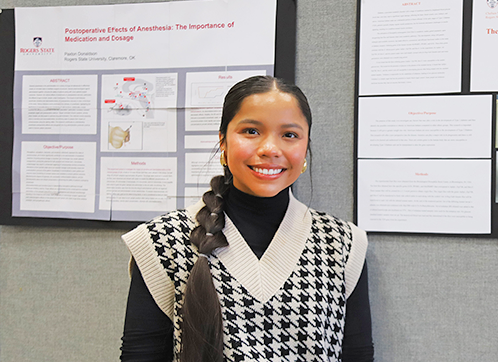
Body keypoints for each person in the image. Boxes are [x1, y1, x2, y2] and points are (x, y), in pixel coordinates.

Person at [120, 75, 374, 361]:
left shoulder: (342, 244)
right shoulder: (163, 241)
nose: (270, 149)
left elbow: (358, 354)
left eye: (289, 135)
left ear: (305, 148)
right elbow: (140, 355)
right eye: (251, 131)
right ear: (223, 142)